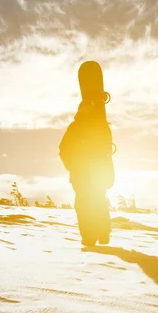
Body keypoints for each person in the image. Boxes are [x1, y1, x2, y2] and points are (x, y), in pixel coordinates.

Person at [59, 100, 115, 247]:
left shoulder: (78, 126)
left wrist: (71, 165)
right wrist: (71, 165)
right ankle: (100, 233)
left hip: (88, 170)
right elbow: (63, 148)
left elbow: (63, 148)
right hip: (91, 170)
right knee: (96, 200)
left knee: (87, 202)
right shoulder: (99, 124)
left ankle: (92, 236)